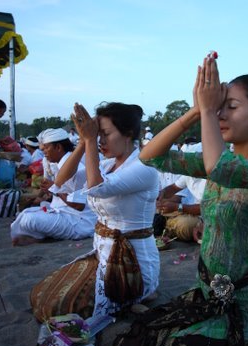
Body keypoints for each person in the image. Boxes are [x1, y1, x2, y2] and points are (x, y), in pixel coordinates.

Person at [113, 56, 248, 346]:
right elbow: (150, 157)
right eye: (218, 107)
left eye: (230, 107)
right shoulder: (216, 160)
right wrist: (195, 112)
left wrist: (209, 110)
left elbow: (219, 167)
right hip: (209, 294)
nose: (221, 114)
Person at [30, 102, 160, 325]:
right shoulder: (109, 165)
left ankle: (143, 292)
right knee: (42, 294)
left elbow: (96, 187)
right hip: (103, 256)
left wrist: (90, 141)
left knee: (59, 307)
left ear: (128, 134)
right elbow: (61, 182)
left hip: (132, 265)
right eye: (98, 134)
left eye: (106, 134)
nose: (101, 141)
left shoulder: (144, 167)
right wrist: (83, 141)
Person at [11, 128, 96, 245]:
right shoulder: (56, 163)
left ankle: (43, 237)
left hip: (79, 221)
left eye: (46, 148)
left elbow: (78, 205)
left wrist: (54, 189)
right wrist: (41, 196)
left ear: (58, 147)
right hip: (61, 212)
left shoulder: (77, 168)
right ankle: (43, 236)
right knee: (23, 215)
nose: (44, 152)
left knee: (28, 219)